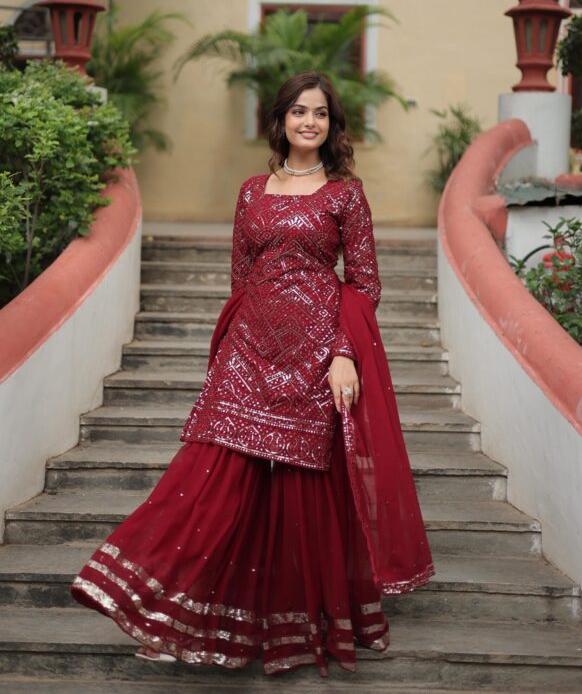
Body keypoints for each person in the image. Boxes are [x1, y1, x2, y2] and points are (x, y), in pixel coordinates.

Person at [71, 70, 434, 677]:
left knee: (297, 497)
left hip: (317, 352)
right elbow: (240, 278)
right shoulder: (249, 192)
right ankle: (170, 616)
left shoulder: (346, 194)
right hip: (249, 349)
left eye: (319, 113)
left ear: (332, 124)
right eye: (298, 112)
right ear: (280, 120)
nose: (309, 122)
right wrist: (239, 348)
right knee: (210, 483)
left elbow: (364, 283)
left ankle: (289, 622)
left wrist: (345, 352)